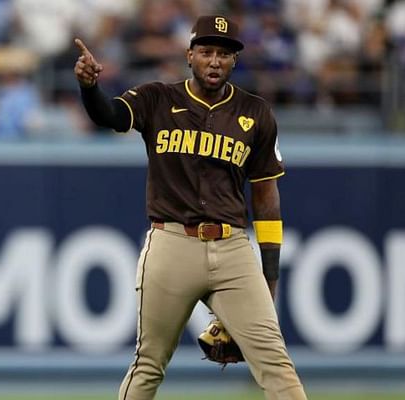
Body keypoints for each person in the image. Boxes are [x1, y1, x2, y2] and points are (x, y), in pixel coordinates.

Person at [74, 15, 308, 400]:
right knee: (148, 364)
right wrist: (89, 88)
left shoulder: (256, 113)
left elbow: (266, 195)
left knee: (276, 363)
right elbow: (109, 116)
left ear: (234, 61)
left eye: (224, 53)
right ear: (189, 55)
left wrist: (270, 274)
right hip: (171, 243)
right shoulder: (157, 99)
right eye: (206, 52)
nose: (214, 61)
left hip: (233, 249)